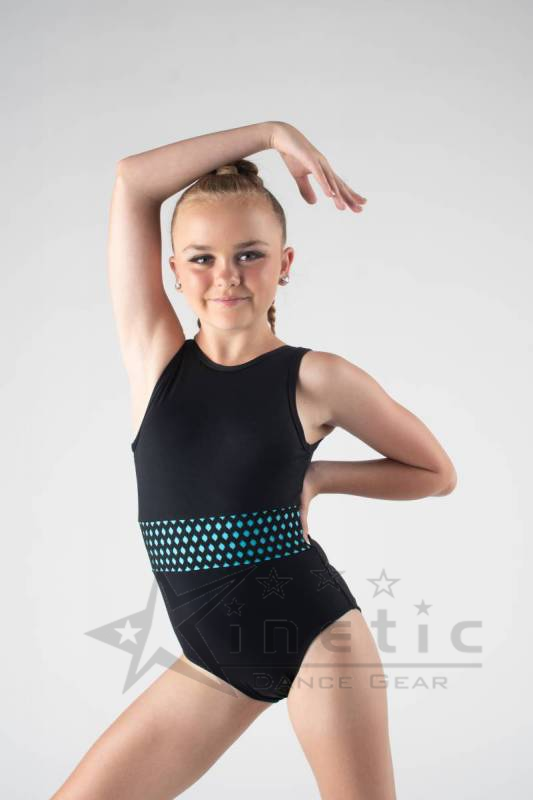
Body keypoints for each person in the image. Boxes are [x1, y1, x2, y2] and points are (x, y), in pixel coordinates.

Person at [51, 121, 456, 799]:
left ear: (284, 263)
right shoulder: (156, 359)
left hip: (316, 635)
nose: (226, 277)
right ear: (172, 270)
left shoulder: (316, 378)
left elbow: (436, 474)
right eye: (202, 259)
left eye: (249, 254)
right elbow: (133, 181)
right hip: (212, 660)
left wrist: (319, 477)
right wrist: (271, 134)